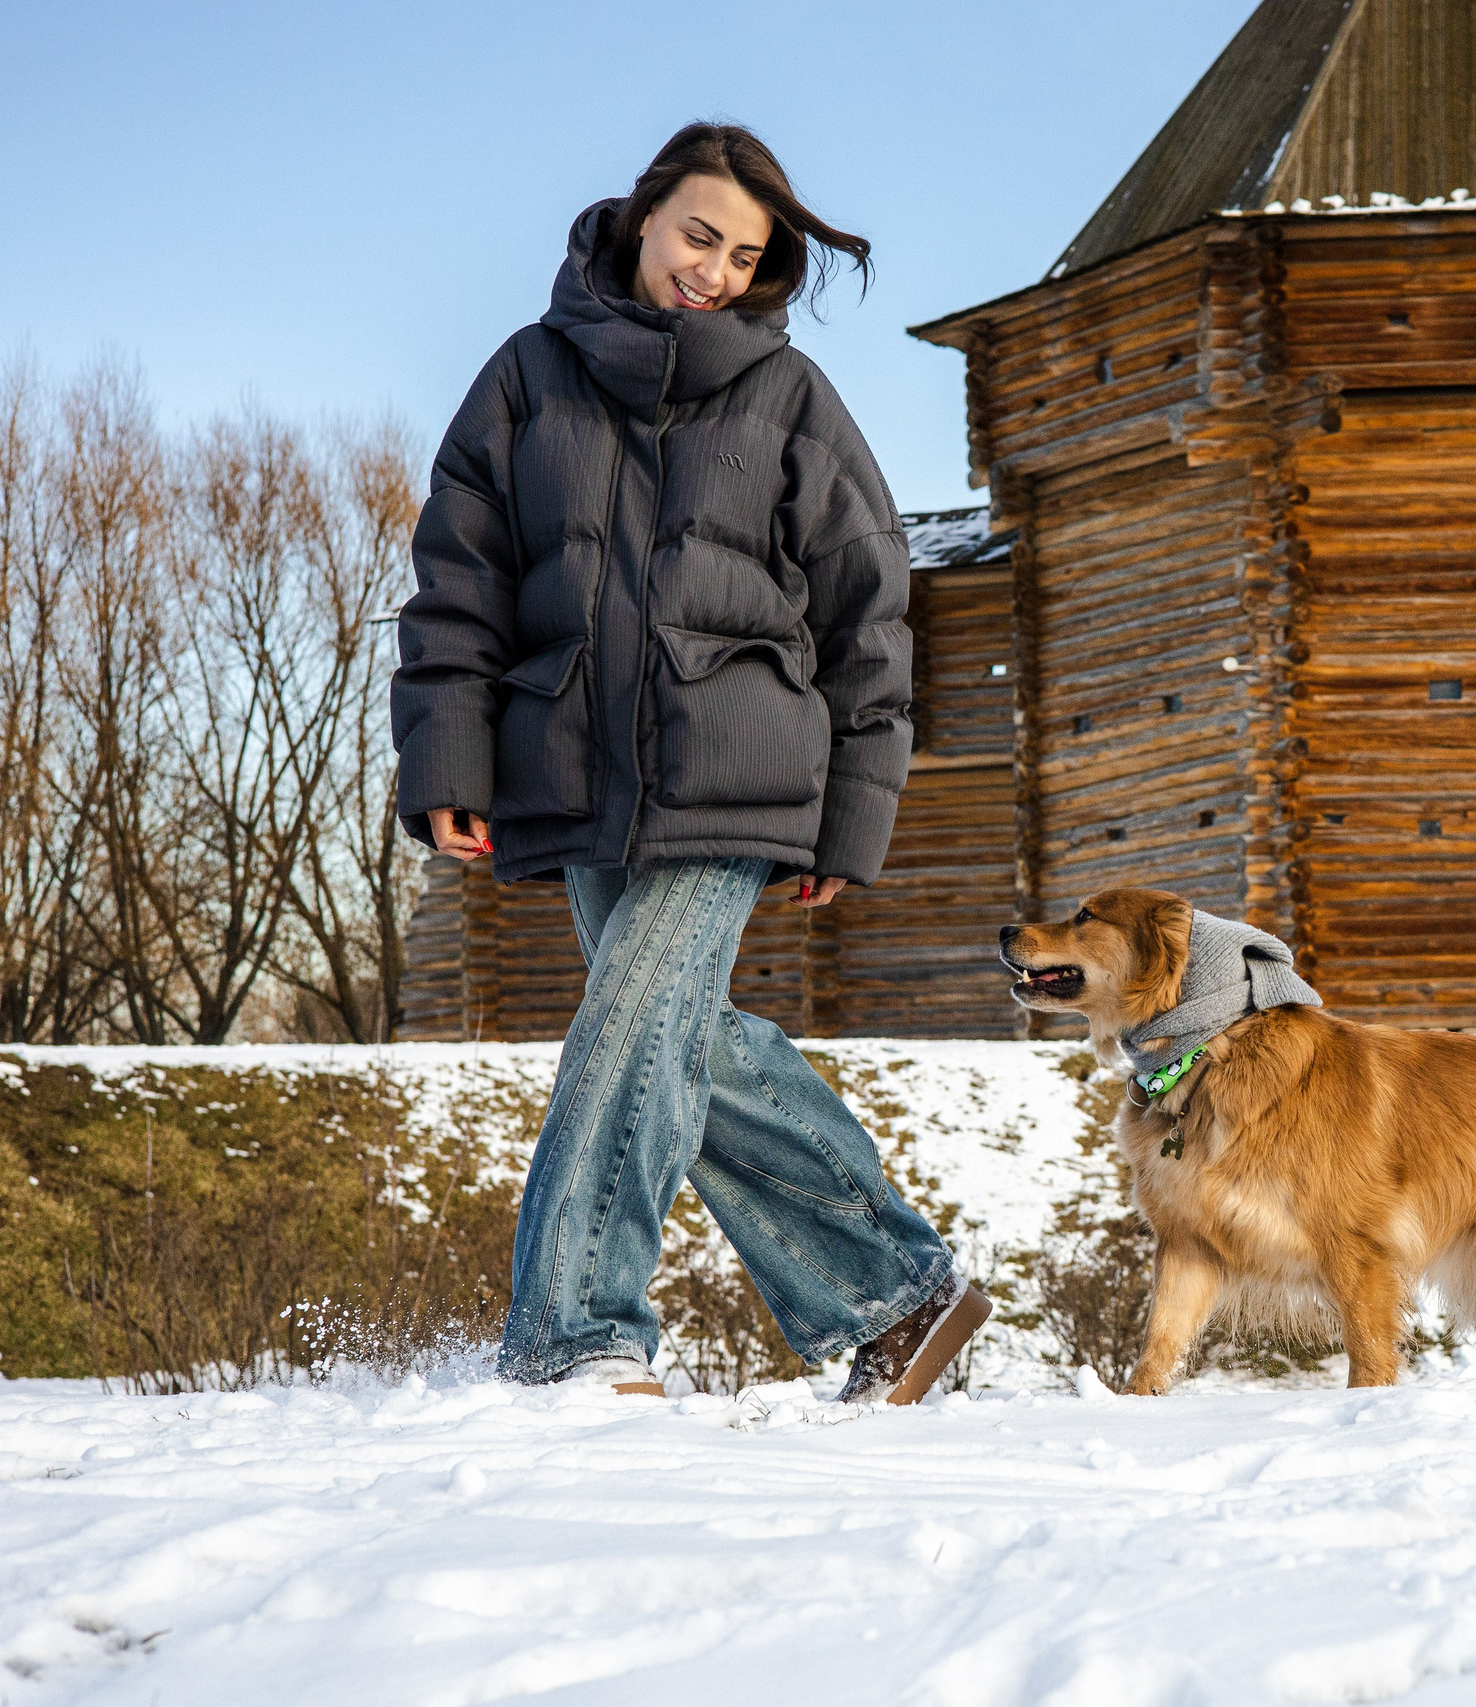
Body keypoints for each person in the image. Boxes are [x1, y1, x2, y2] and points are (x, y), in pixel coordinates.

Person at [391, 122, 988, 1402]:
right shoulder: (524, 379)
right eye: (697, 237)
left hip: (738, 769)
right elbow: (459, 584)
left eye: (743, 257)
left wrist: (853, 815)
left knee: (627, 1029)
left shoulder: (789, 397)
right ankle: (899, 1295)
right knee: (674, 1039)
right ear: (641, 216)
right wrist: (449, 757)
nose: (712, 272)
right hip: (572, 768)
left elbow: (865, 611)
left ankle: (577, 1335)